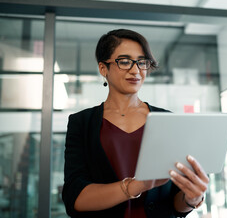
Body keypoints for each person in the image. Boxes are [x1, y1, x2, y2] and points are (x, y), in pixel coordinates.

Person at [62, 29, 209, 217]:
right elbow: (75, 198)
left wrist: (192, 198)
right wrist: (136, 186)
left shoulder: (168, 120)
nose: (136, 70)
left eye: (142, 62)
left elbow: (175, 203)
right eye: (124, 61)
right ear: (103, 68)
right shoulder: (81, 123)